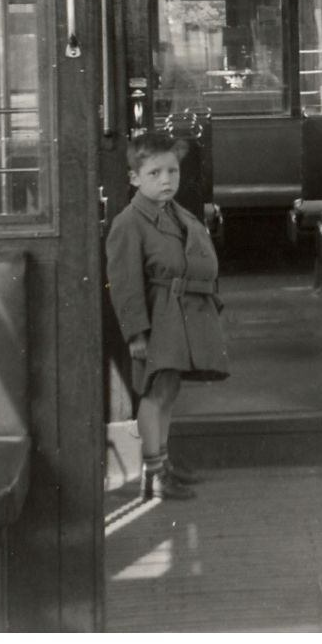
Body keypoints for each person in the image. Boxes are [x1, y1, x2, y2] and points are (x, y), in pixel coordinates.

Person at [106, 129, 231, 500]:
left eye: (172, 172)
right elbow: (125, 283)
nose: (166, 180)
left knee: (169, 390)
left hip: (182, 315)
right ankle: (154, 474)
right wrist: (136, 334)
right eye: (154, 173)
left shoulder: (176, 213)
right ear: (134, 178)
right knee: (155, 391)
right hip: (157, 317)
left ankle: (162, 462)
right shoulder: (129, 223)